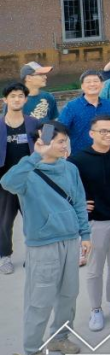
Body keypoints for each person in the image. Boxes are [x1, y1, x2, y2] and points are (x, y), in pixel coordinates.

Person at [1, 122, 91, 355]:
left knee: (68, 295)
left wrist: (85, 234)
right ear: (43, 142)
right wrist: (34, 157)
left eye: (65, 141)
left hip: (70, 240)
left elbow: (79, 201)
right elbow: (7, 182)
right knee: (39, 300)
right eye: (60, 141)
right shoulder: (27, 170)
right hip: (42, 245)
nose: (65, 146)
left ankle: (60, 337)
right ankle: (32, 350)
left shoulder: (70, 168)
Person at [69, 115, 110, 331]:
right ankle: (96, 309)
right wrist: (77, 203)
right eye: (103, 131)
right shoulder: (78, 160)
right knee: (94, 270)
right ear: (92, 133)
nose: (108, 134)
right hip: (94, 223)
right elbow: (65, 188)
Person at [0, 82, 40, 276]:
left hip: (30, 181)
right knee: (4, 221)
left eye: (20, 96)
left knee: (33, 220)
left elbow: (48, 139)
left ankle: (33, 255)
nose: (16, 99)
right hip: (4, 182)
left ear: (25, 100)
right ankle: (4, 256)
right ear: (5, 100)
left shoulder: (33, 122)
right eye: (13, 96)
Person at [58, 70, 110, 154]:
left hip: (107, 153)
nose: (92, 84)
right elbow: (59, 127)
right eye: (88, 82)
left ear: (102, 85)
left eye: (95, 81)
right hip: (81, 155)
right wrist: (59, 148)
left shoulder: (109, 105)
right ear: (82, 86)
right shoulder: (71, 107)